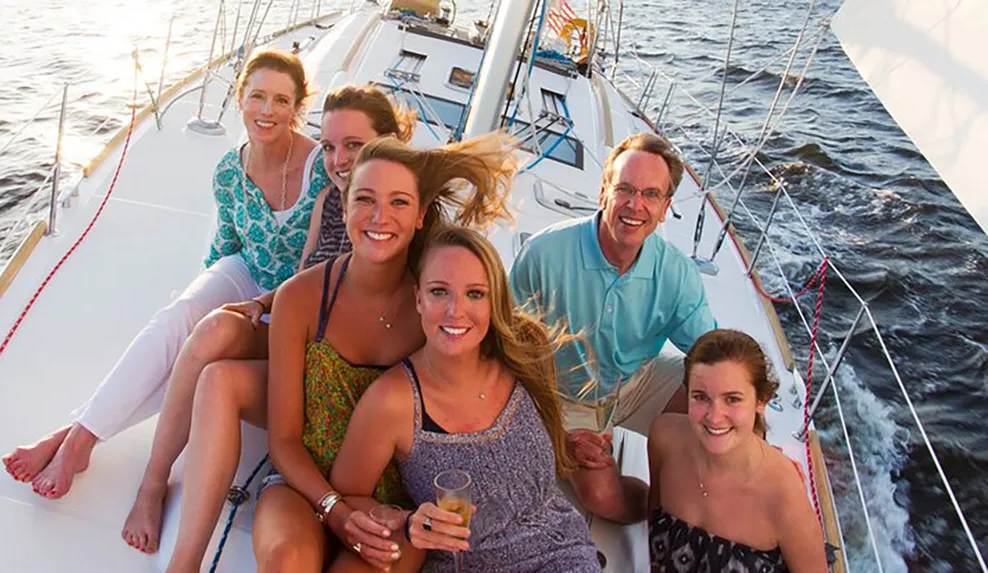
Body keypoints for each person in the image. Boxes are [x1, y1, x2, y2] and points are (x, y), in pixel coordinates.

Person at [164, 133, 517, 573]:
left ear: (422, 215)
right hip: (301, 484)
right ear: (344, 206)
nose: (379, 216)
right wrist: (334, 508)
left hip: (393, 503)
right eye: (364, 199)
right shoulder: (300, 298)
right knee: (285, 560)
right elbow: (285, 439)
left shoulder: (434, 305)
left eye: (399, 203)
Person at [0, 49, 325, 502]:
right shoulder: (230, 171)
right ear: (240, 99)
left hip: (291, 297)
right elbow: (226, 247)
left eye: (281, 100)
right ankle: (81, 440)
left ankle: (72, 435)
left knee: (203, 344)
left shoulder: (321, 168)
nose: (267, 111)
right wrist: (201, 300)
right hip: (246, 269)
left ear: (297, 108)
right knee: (179, 318)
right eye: (257, 97)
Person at [118, 85, 416, 554]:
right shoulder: (330, 204)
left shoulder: (404, 220)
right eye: (330, 146)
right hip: (309, 350)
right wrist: (263, 302)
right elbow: (312, 276)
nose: (337, 160)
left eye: (353, 146)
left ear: (388, 143)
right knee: (216, 334)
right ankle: (155, 488)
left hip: (350, 378)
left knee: (221, 371)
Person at [329, 225, 601, 573]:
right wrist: (408, 521)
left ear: (494, 302)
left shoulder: (523, 357)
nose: (456, 311)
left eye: (475, 294)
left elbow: (536, 442)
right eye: (440, 291)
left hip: (561, 554)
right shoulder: (392, 401)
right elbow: (347, 496)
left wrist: (566, 443)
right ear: (418, 299)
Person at [509, 132, 717, 524]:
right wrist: (554, 432)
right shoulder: (543, 253)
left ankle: (684, 505)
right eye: (625, 189)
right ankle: (669, 505)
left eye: (651, 195)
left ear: (665, 206)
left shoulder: (676, 272)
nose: (635, 205)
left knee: (722, 395)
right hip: (564, 396)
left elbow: (711, 353)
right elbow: (503, 350)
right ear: (604, 190)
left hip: (637, 381)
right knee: (605, 500)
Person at [647, 329, 827, 572]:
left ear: (761, 401)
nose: (714, 416)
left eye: (732, 399)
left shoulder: (783, 495)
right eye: (700, 397)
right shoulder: (664, 439)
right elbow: (653, 524)